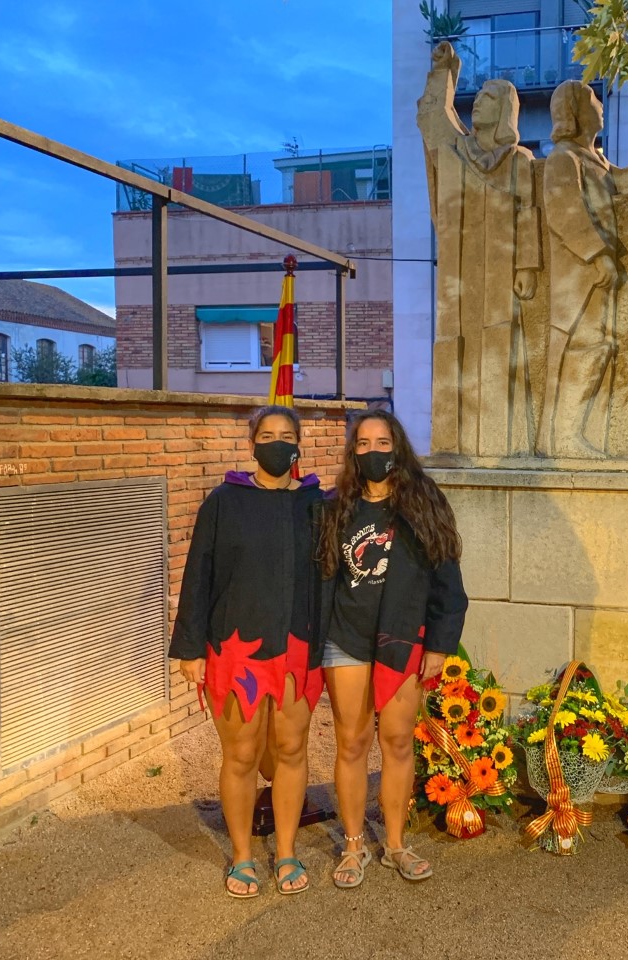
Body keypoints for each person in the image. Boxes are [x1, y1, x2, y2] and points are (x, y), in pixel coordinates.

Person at [169, 405, 324, 898]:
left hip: (297, 649)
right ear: (252, 442)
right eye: (267, 434)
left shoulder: (317, 505)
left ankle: (285, 851)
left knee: (292, 750)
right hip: (237, 650)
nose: (277, 442)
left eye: (287, 434)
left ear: (300, 444)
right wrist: (190, 649)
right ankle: (241, 856)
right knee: (239, 753)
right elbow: (199, 576)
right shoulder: (223, 502)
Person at [318, 410, 467, 888]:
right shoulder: (334, 507)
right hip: (346, 638)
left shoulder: (423, 503)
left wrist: (441, 645)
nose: (373, 451)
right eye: (362, 444)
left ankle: (397, 844)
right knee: (353, 742)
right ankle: (354, 844)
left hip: (403, 639)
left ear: (397, 447)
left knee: (398, 741)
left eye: (382, 442)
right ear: (352, 452)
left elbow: (448, 582)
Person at [418, 40, 541, 456]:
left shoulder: (519, 160)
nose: (479, 105)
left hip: (502, 272)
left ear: (504, 108)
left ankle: (498, 446)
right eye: (479, 98)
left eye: (489, 98)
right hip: (460, 276)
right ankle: (456, 445)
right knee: (457, 345)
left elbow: (529, 212)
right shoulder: (456, 153)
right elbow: (433, 119)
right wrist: (444, 72)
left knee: (501, 348)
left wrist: (527, 265)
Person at [538, 79, 621, 459]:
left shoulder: (598, 163)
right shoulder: (563, 160)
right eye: (593, 102)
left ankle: (578, 432)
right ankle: (562, 437)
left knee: (598, 349)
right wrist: (597, 254)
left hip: (601, 280)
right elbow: (565, 213)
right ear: (575, 112)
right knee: (578, 350)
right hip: (578, 280)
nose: (601, 107)